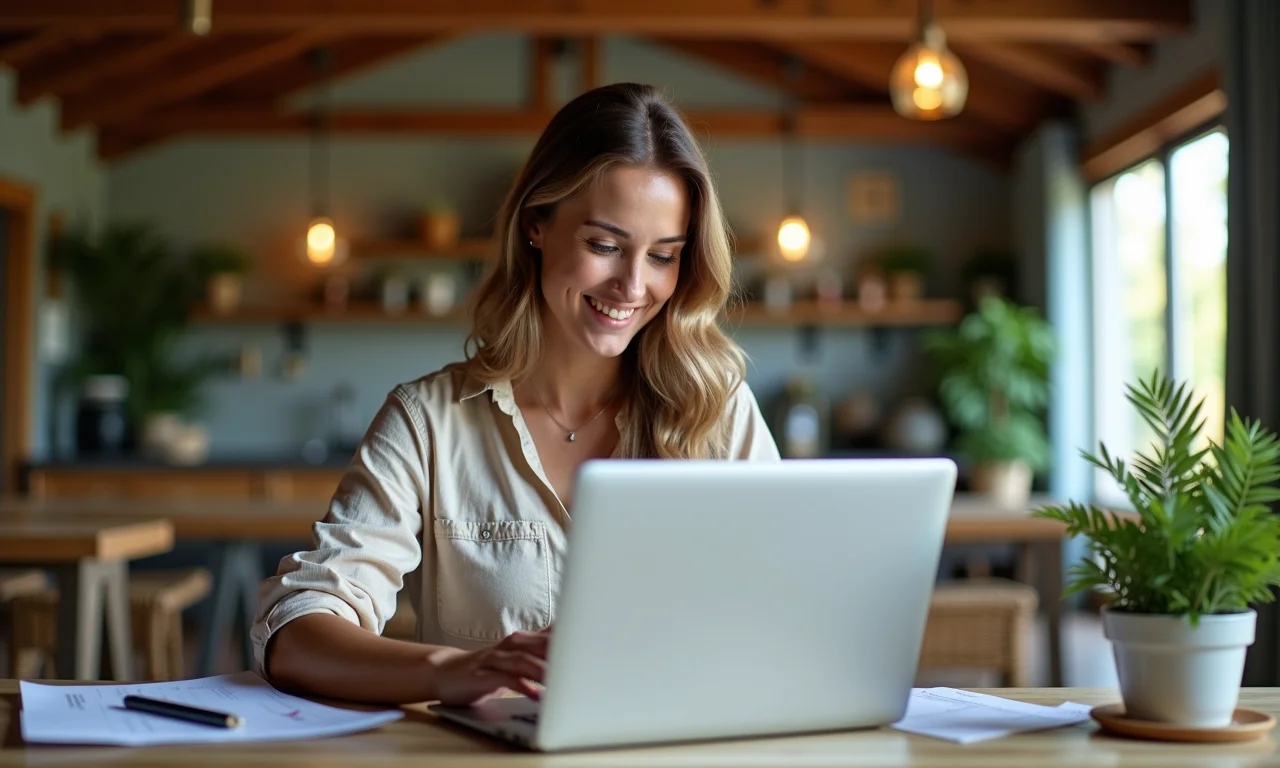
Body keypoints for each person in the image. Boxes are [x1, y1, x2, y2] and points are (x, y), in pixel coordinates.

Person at [252, 82, 780, 707]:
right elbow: (298, 629)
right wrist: (452, 670)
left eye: (663, 256)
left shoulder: (717, 414)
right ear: (536, 225)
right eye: (604, 245)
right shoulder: (428, 422)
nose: (632, 285)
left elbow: (787, 613)